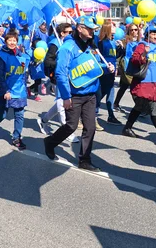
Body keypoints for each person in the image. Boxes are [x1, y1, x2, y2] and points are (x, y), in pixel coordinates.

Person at [43, 16, 113, 172]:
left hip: (91, 94)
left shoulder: (89, 45)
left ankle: (84, 160)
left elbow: (91, 64)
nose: (92, 32)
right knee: (71, 126)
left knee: (90, 128)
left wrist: (106, 66)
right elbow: (61, 73)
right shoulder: (67, 47)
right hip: (74, 95)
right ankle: (50, 142)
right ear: (80, 29)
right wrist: (66, 97)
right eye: (89, 29)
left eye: (94, 29)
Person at [36, 22, 80, 143]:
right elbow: (48, 61)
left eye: (72, 32)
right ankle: (67, 131)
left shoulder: (71, 44)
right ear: (62, 33)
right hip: (58, 77)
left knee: (60, 104)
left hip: (70, 77)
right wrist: (62, 63)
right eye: (69, 32)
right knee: (62, 102)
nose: (72, 34)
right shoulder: (55, 44)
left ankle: (43, 120)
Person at [0, 32, 30, 149]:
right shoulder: (1, 55)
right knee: (2, 114)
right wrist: (5, 90)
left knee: (19, 114)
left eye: (14, 40)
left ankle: (16, 138)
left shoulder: (22, 55)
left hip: (19, 90)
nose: (12, 42)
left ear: (17, 42)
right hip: (6, 90)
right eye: (9, 40)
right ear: (5, 42)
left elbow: (24, 73)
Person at [96, 20, 120, 125]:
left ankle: (111, 115)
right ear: (107, 29)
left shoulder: (113, 42)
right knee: (100, 94)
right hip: (103, 72)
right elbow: (99, 58)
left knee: (110, 93)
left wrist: (120, 49)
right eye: (113, 26)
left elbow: (114, 57)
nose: (115, 28)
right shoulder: (101, 42)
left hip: (111, 72)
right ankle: (91, 113)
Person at [114, 23, 141, 112]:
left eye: (135, 30)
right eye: (131, 30)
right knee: (133, 85)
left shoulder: (141, 41)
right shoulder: (125, 41)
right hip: (126, 66)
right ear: (128, 31)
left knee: (124, 86)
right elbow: (118, 53)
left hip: (137, 66)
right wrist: (119, 46)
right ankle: (139, 107)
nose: (133, 32)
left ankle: (116, 103)